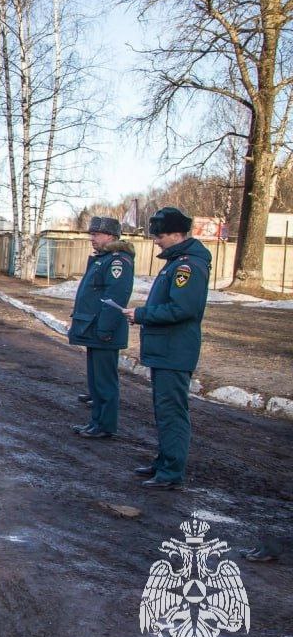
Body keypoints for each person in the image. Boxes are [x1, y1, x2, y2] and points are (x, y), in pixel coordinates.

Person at [121, 207, 211, 491]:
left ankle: (171, 471)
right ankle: (164, 462)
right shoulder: (177, 262)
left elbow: (183, 308)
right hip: (167, 350)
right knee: (164, 409)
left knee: (172, 411)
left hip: (175, 351)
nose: (156, 240)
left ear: (176, 233)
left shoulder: (187, 266)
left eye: (160, 235)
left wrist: (142, 315)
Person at [66, 216, 134, 439]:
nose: (91, 238)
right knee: (96, 381)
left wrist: (105, 329)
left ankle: (105, 425)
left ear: (111, 236)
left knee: (104, 382)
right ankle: (96, 422)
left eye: (96, 234)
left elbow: (115, 298)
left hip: (103, 331)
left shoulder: (117, 261)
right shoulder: (103, 259)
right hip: (93, 329)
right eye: (91, 234)